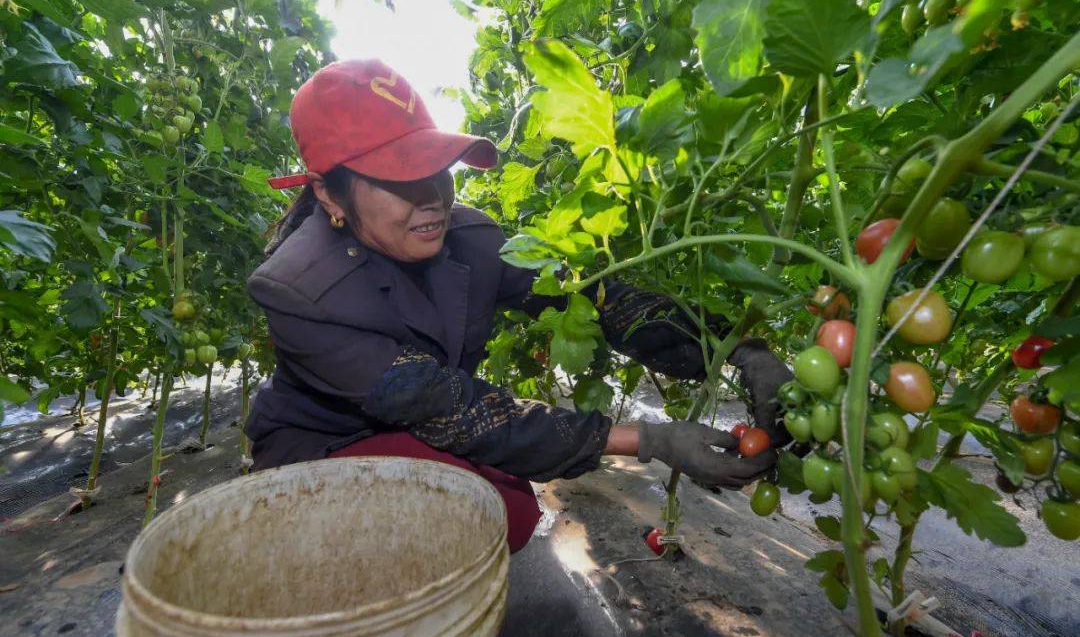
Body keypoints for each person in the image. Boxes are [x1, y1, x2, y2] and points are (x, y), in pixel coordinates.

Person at [245, 60, 793, 553]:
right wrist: (651, 441)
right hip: (328, 445)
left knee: (510, 507)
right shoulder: (298, 291)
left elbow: (595, 299)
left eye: (436, 168)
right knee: (479, 513)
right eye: (400, 178)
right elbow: (450, 408)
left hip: (423, 427)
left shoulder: (473, 241)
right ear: (328, 194)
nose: (432, 196)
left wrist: (734, 348)